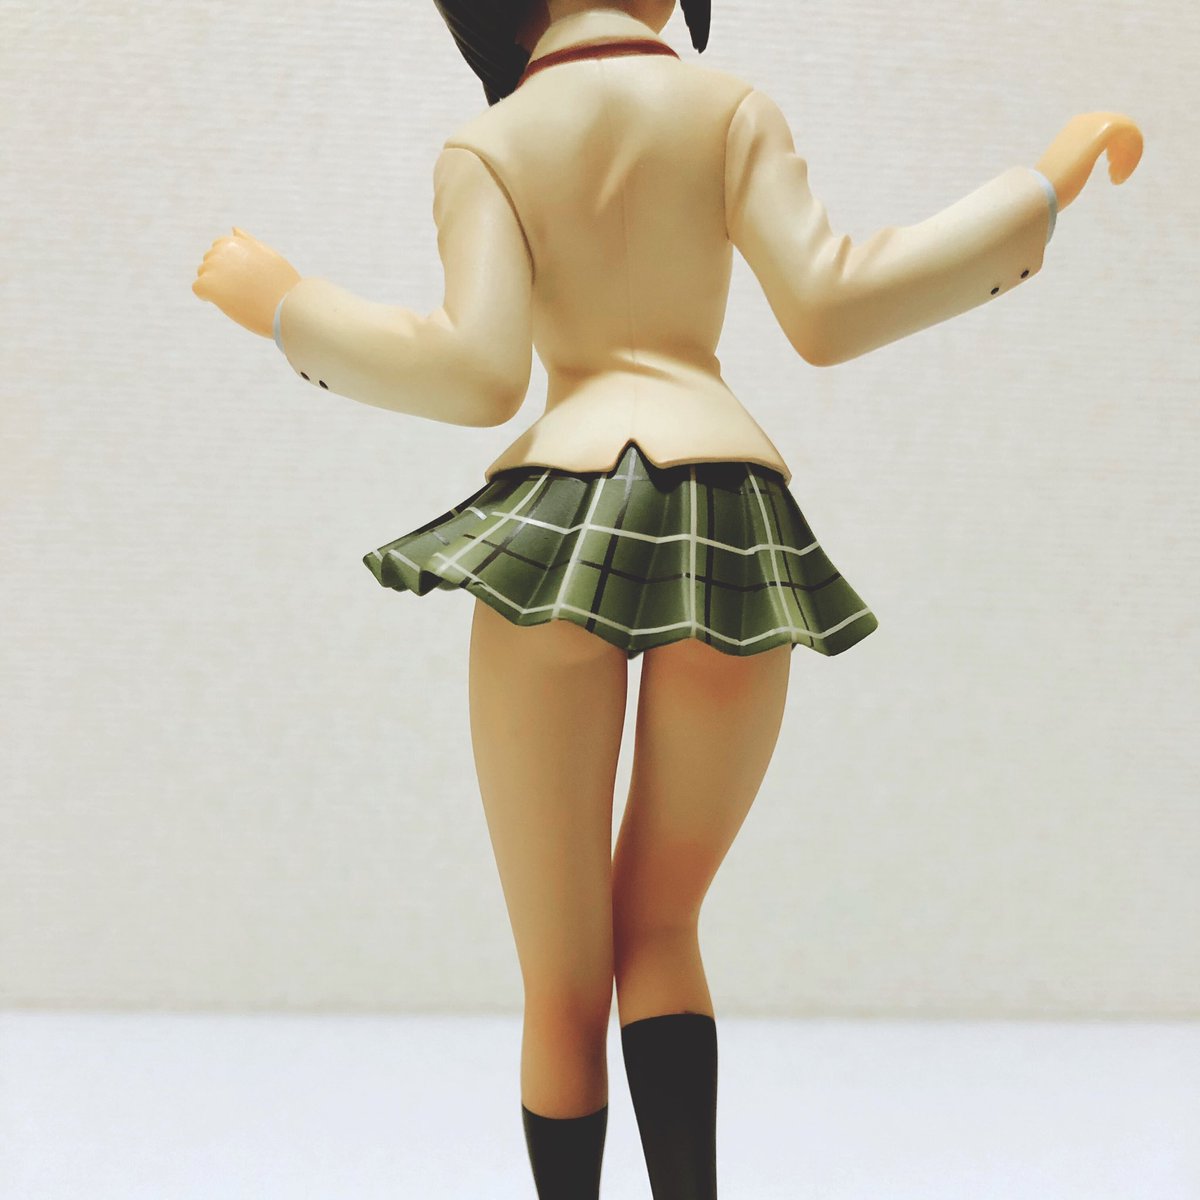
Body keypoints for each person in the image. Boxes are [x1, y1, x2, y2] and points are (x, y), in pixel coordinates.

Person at [191, 2, 1142, 1195]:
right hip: (725, 522)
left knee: (560, 979)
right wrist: (1036, 194)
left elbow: (478, 373)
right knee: (662, 927)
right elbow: (831, 304)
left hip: (556, 535)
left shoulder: (492, 145)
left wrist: (288, 304)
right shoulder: (726, 110)